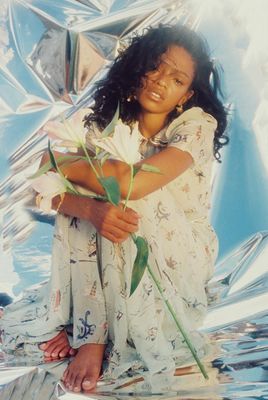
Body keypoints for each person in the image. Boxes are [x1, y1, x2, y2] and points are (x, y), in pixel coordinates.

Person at [0, 24, 228, 393]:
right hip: (117, 232)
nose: (160, 81)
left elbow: (132, 184)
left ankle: (91, 333)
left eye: (176, 79)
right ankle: (92, 331)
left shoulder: (197, 125)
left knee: (117, 190)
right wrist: (87, 208)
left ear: (186, 95)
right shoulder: (111, 124)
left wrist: (67, 165)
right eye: (155, 67)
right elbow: (46, 187)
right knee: (92, 198)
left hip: (178, 258)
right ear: (138, 68)